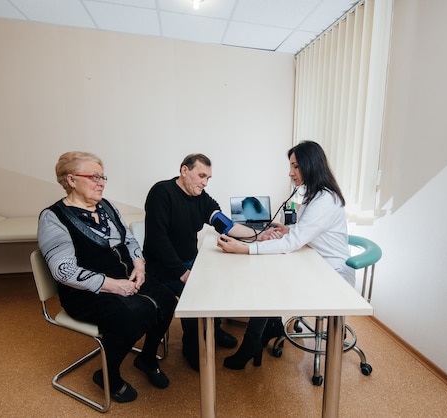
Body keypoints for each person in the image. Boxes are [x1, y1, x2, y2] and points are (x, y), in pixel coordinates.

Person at [37, 151, 177, 403]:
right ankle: (108, 375)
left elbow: (130, 239)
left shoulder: (107, 206)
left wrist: (139, 265)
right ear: (71, 180)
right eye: (94, 176)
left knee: (167, 300)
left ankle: (146, 359)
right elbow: (63, 270)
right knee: (131, 319)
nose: (101, 182)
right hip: (85, 293)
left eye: (103, 177)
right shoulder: (53, 217)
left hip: (126, 277)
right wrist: (113, 286)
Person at [216, 140, 356, 370]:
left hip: (332, 275)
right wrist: (288, 230)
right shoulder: (315, 196)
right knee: (270, 275)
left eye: (296, 166)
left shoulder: (325, 200)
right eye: (290, 166)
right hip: (315, 261)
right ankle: (272, 327)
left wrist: (246, 248)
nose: (290, 173)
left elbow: (294, 243)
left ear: (311, 165)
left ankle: (252, 344)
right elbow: (308, 233)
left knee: (269, 284)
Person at [143, 153, 262, 371]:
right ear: (184, 170)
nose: (205, 182)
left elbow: (226, 225)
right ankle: (191, 348)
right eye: (201, 176)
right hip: (161, 268)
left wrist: (258, 235)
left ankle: (214, 330)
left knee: (215, 284)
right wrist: (182, 272)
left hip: (189, 261)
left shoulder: (202, 199)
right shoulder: (162, 193)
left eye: (208, 178)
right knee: (195, 296)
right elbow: (158, 240)